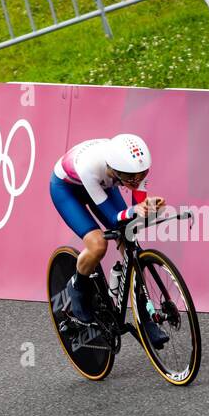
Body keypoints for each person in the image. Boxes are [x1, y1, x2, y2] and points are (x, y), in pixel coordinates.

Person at [50, 133, 168, 345]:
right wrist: (137, 210)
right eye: (131, 178)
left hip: (102, 184)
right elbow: (114, 217)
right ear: (114, 169)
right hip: (67, 190)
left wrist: (148, 209)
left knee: (129, 236)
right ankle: (76, 287)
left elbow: (134, 216)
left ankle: (144, 317)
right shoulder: (90, 166)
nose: (137, 181)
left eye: (142, 175)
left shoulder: (133, 169)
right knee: (98, 245)